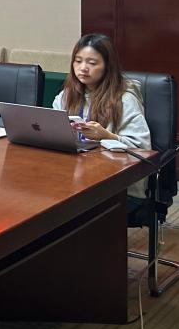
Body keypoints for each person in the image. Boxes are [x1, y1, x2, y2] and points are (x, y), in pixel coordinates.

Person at [52, 33, 151, 216]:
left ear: (107, 66)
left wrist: (107, 136)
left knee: (66, 210)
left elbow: (143, 148)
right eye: (78, 61)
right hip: (75, 178)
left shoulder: (124, 99)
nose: (83, 68)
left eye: (92, 63)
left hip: (119, 187)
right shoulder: (66, 96)